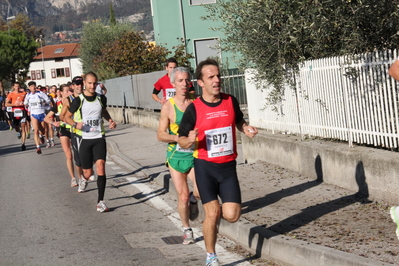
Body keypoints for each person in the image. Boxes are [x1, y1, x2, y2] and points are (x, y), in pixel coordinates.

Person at [178, 59, 258, 266]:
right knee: (212, 212)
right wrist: (191, 139)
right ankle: (211, 256)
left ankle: (208, 222)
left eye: (218, 76)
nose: (217, 80)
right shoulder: (194, 109)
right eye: (211, 77)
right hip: (205, 167)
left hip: (228, 167)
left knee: (231, 215)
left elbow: (238, 120)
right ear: (201, 82)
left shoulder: (230, 101)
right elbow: (181, 139)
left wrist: (245, 128)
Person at [157, 67, 200, 245]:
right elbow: (160, 134)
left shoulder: (196, 104)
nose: (184, 84)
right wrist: (177, 138)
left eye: (186, 80)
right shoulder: (168, 107)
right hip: (176, 156)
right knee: (181, 196)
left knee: (199, 192)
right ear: (173, 83)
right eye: (180, 81)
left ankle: (193, 198)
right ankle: (186, 229)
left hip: (194, 154)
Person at [64, 72, 117, 212]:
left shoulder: (101, 98)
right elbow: (66, 118)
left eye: (94, 83)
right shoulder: (78, 100)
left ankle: (100, 201)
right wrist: (75, 124)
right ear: (85, 84)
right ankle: (84, 179)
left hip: (99, 137)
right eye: (89, 83)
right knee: (87, 173)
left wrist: (110, 120)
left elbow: (104, 112)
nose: (92, 86)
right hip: (84, 139)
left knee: (101, 166)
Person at [44, 84, 78, 187]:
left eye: (70, 91)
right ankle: (73, 178)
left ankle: (82, 175)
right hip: (64, 130)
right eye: (67, 91)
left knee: (78, 154)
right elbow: (46, 118)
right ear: (61, 93)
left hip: (75, 129)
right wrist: (53, 123)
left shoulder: (75, 102)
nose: (69, 93)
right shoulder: (58, 104)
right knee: (69, 155)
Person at [60, 76, 86, 191]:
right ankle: (80, 179)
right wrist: (72, 122)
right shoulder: (68, 100)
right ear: (73, 86)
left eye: (81, 84)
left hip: (89, 130)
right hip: (74, 131)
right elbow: (62, 116)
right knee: (78, 157)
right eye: (77, 84)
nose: (79, 86)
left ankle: (88, 169)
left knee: (91, 155)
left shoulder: (88, 96)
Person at [24, 81, 51, 154]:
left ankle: (42, 136)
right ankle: (38, 147)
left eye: (34, 86)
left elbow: (48, 100)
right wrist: (27, 107)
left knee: (43, 131)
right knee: (36, 130)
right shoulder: (28, 95)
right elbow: (25, 103)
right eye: (32, 86)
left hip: (41, 113)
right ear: (29, 88)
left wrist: (44, 102)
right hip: (34, 114)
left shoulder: (40, 93)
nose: (33, 87)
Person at [5, 82, 27, 150]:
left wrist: (24, 104)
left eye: (18, 86)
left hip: (22, 112)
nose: (17, 88)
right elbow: (6, 104)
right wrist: (15, 104)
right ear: (13, 87)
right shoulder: (11, 94)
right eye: (16, 86)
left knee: (23, 127)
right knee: (16, 127)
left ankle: (23, 144)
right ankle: (18, 132)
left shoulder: (24, 93)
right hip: (14, 112)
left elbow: (28, 102)